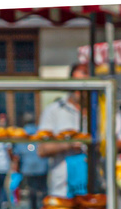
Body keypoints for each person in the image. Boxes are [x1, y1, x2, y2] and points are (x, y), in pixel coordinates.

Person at [35, 67, 92, 198]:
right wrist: (69, 145)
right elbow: (42, 149)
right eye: (76, 85)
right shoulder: (54, 110)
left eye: (85, 85)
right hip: (62, 189)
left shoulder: (100, 109)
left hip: (96, 186)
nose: (80, 90)